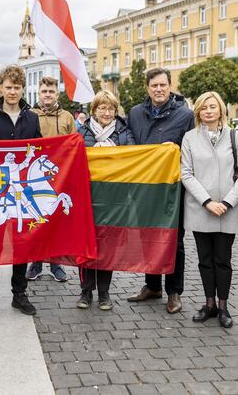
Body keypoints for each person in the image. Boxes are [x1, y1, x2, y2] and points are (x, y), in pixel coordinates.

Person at [180, 91, 238, 328]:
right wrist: (207, 201)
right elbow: (186, 174)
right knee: (205, 259)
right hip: (201, 208)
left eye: (212, 107)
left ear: (221, 109)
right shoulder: (190, 138)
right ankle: (209, 303)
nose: (208, 111)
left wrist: (228, 202)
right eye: (204, 108)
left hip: (227, 209)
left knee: (223, 260)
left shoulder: (236, 137)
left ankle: (223, 306)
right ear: (198, 112)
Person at [0, 64, 42, 321]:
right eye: (8, 87)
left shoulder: (32, 118)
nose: (12, 92)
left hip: (22, 190)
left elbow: (39, 151)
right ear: (0, 88)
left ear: (21, 89)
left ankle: (19, 295)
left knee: (21, 244)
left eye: (16, 87)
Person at [126, 68, 194, 314]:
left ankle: (174, 292)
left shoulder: (185, 115)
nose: (159, 89)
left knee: (174, 240)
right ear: (147, 88)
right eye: (154, 85)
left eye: (163, 85)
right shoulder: (135, 113)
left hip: (171, 189)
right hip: (143, 187)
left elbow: (191, 150)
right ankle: (152, 285)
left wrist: (173, 148)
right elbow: (128, 141)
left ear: (169, 86)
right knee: (148, 236)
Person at [76, 90, 134, 310]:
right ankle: (85, 291)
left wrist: (115, 152)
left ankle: (104, 292)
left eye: (110, 108)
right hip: (87, 195)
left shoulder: (124, 133)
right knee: (86, 243)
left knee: (108, 245)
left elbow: (133, 157)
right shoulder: (81, 132)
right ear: (94, 110)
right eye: (102, 108)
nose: (107, 112)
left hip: (113, 197)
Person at [25, 76, 77, 283]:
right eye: (44, 91)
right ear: (39, 93)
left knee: (57, 222)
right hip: (36, 176)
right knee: (37, 219)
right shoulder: (29, 115)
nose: (48, 94)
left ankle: (56, 264)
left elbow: (75, 144)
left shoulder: (67, 117)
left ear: (57, 93)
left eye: (51, 91)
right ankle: (36, 262)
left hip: (60, 175)